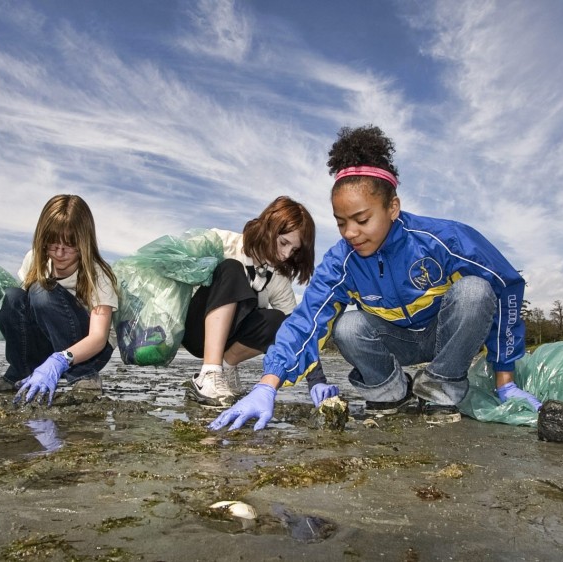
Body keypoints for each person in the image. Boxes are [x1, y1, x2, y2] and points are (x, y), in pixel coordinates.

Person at [210, 125, 541, 431]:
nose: (351, 233)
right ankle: (391, 392)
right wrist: (267, 385)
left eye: (362, 219)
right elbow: (306, 320)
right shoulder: (341, 261)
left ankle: (439, 387)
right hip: (394, 341)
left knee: (475, 291)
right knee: (347, 326)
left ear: (392, 208)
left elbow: (507, 286)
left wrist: (505, 381)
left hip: (445, 337)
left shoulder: (443, 239)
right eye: (341, 223)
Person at [183, 196, 326, 408]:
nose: (287, 255)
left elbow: (298, 331)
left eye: (294, 250)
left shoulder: (278, 278)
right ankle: (209, 373)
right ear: (268, 228)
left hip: (229, 340)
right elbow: (172, 268)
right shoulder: (220, 242)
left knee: (280, 320)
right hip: (194, 330)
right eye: (284, 243)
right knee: (232, 269)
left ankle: (226, 366)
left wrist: (317, 381)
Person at [0, 194, 119, 406]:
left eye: (69, 245)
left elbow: (98, 338)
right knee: (9, 297)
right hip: (50, 342)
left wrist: (60, 360)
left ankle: (83, 375)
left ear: (84, 242)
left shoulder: (97, 275)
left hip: (89, 352)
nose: (59, 253)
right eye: (52, 244)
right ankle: (21, 372)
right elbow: (21, 312)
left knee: (42, 291)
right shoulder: (34, 259)